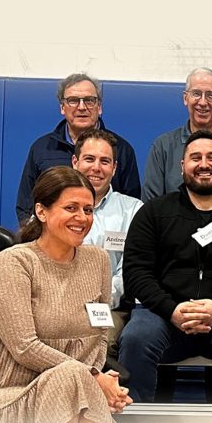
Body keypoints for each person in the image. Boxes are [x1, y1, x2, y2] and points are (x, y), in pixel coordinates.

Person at [0, 167, 131, 423]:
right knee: (71, 382)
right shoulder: (14, 262)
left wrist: (93, 377)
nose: (82, 218)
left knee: (75, 387)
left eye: (88, 210)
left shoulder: (98, 260)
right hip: (4, 390)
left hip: (72, 387)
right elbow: (24, 347)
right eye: (71, 208)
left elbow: (100, 332)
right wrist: (90, 377)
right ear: (42, 211)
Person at [120, 130, 212, 403]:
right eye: (195, 157)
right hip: (162, 315)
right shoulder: (153, 212)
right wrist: (172, 310)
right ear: (182, 167)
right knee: (135, 338)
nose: (204, 164)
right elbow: (135, 272)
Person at [15, 73, 140, 224]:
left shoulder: (122, 149)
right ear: (62, 107)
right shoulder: (41, 148)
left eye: (89, 100)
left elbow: (130, 201)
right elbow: (26, 205)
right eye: (73, 100)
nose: (81, 107)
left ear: (99, 107)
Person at [70, 128, 144, 357]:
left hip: (109, 309)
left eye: (105, 161)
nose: (96, 168)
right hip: (56, 305)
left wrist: (96, 300)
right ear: (75, 162)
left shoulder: (133, 210)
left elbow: (129, 269)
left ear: (114, 168)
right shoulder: (53, 205)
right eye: (89, 159)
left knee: (94, 343)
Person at [143, 67, 212, 201]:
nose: (202, 102)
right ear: (185, 98)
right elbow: (151, 205)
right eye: (196, 94)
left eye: (210, 95)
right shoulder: (162, 147)